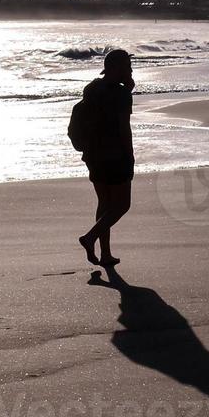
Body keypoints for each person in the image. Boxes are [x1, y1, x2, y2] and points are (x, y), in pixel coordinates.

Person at [78, 49, 135, 267]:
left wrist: (127, 90)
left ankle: (105, 254)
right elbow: (123, 128)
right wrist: (130, 156)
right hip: (115, 155)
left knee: (104, 203)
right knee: (121, 205)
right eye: (127, 66)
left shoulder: (91, 88)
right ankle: (90, 238)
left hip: (93, 154)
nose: (130, 70)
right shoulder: (121, 95)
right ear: (118, 68)